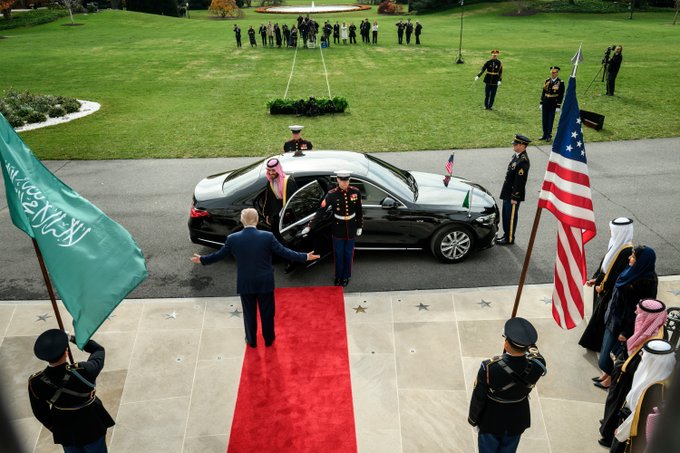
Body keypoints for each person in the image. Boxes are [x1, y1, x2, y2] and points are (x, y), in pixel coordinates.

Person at [191, 208, 319, 347]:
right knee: (267, 313)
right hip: (265, 282)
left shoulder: (232, 239)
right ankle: (268, 339)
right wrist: (305, 257)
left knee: (249, 314)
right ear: (257, 220)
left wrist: (203, 259)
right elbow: (285, 252)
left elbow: (219, 255)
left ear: (242, 221)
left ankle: (251, 340)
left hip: (246, 283)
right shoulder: (267, 236)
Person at [468, 317, 547, 453]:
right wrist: (525, 338)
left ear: (506, 345)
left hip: (491, 419)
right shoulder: (539, 364)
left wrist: (473, 419)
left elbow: (479, 396)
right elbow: (534, 351)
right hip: (517, 418)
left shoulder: (489, 367)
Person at [28, 329, 115, 452]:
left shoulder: (36, 382)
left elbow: (40, 412)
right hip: (91, 424)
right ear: (66, 352)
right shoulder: (83, 371)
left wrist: (56, 427)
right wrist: (72, 338)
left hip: (65, 429)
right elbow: (98, 350)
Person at [598, 299, 667, 448]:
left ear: (649, 316)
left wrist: (621, 365)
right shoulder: (651, 327)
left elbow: (639, 365)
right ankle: (607, 424)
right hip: (625, 375)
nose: (636, 313)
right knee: (613, 404)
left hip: (629, 381)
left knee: (617, 405)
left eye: (640, 312)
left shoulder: (654, 340)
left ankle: (609, 435)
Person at [596, 245, 658, 390]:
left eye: (633, 257)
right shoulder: (631, 271)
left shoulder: (644, 283)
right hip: (613, 318)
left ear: (641, 261)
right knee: (606, 350)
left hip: (622, 325)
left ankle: (611, 379)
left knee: (612, 354)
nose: (630, 258)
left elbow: (637, 311)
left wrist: (626, 331)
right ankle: (607, 374)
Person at [578, 217, 635, 353]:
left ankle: (597, 345)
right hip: (602, 284)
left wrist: (602, 286)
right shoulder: (616, 242)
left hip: (608, 290)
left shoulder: (627, 251)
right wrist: (596, 278)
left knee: (601, 318)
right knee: (597, 314)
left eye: (612, 230)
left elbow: (616, 275)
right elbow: (605, 263)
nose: (610, 232)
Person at [302, 171, 363, 287]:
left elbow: (359, 211)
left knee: (348, 254)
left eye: (346, 180)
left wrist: (359, 226)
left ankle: (346, 276)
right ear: (338, 180)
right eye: (342, 180)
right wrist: (310, 226)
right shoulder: (332, 194)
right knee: (338, 254)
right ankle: (338, 276)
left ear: (349, 180)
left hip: (351, 227)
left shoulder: (355, 192)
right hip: (338, 229)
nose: (344, 183)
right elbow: (321, 211)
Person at [496, 134, 531, 246]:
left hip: (513, 195)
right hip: (507, 192)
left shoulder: (523, 161)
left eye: (516, 144)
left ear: (522, 146)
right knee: (506, 215)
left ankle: (509, 238)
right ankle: (506, 235)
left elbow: (520, 182)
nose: (514, 145)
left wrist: (515, 197)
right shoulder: (516, 156)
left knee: (511, 217)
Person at [262, 157, 298, 241]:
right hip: (277, 216)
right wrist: (267, 215)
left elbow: (295, 200)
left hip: (289, 217)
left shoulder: (288, 181)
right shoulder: (270, 182)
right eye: (269, 170)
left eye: (273, 170)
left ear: (278, 169)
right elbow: (269, 199)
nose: (271, 173)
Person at [539, 66, 565, 142]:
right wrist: (541, 102)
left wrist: (558, 106)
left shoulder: (560, 82)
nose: (552, 74)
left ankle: (548, 135)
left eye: (554, 73)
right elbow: (543, 92)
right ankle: (544, 134)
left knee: (550, 120)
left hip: (553, 103)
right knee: (544, 119)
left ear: (557, 73)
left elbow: (561, 95)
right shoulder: (547, 81)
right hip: (546, 102)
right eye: (552, 73)